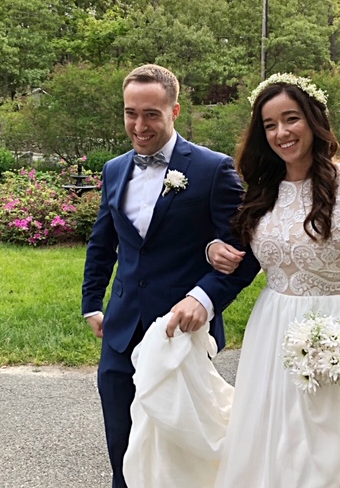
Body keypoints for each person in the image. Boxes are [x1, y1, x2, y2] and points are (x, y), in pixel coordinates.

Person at [208, 73, 340, 488]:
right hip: (269, 331)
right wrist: (212, 249)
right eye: (269, 125)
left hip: (330, 338)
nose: (281, 132)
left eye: (291, 119)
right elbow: (242, 252)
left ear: (313, 120)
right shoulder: (263, 187)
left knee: (320, 457)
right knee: (266, 446)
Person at [81, 63, 259, 488]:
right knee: (123, 450)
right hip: (121, 334)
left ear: (175, 111)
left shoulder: (212, 169)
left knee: (182, 456)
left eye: (151, 114)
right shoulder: (114, 169)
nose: (139, 126)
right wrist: (92, 303)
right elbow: (102, 243)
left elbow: (245, 253)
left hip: (182, 337)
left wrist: (205, 297)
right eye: (130, 113)